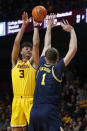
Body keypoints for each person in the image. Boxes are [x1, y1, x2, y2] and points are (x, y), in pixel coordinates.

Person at [28, 20, 77, 131]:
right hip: (49, 112)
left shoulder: (40, 64)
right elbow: (73, 49)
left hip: (34, 112)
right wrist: (72, 30)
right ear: (58, 59)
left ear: (45, 58)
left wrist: (49, 27)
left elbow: (47, 45)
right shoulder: (56, 68)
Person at [11, 11, 40, 131]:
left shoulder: (33, 63)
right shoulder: (15, 62)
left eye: (30, 49)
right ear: (21, 52)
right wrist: (24, 25)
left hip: (30, 100)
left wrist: (35, 26)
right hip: (17, 100)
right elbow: (16, 43)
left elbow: (36, 44)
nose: (29, 51)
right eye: (26, 49)